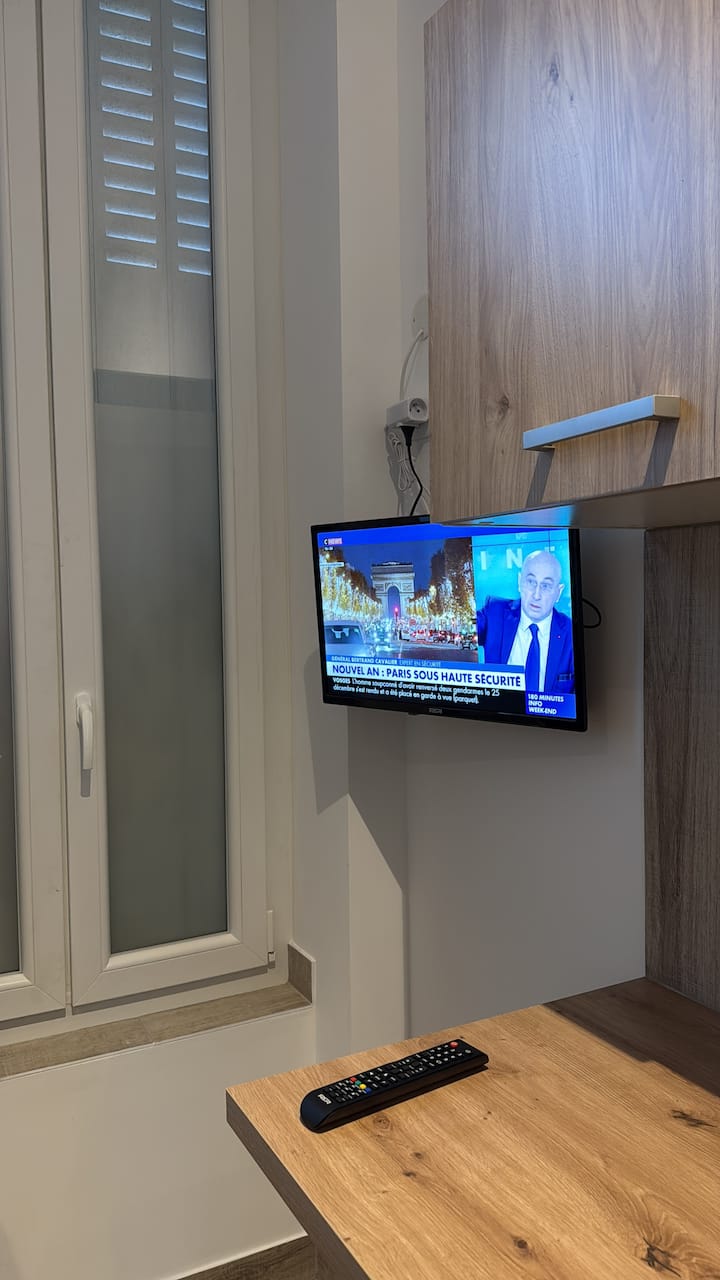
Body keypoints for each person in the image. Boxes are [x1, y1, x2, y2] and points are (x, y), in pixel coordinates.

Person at [476, 550, 574, 694]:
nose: (536, 595)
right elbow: (466, 634)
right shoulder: (494, 613)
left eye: (546, 586)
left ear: (558, 593)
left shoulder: (571, 632)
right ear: (519, 581)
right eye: (531, 582)